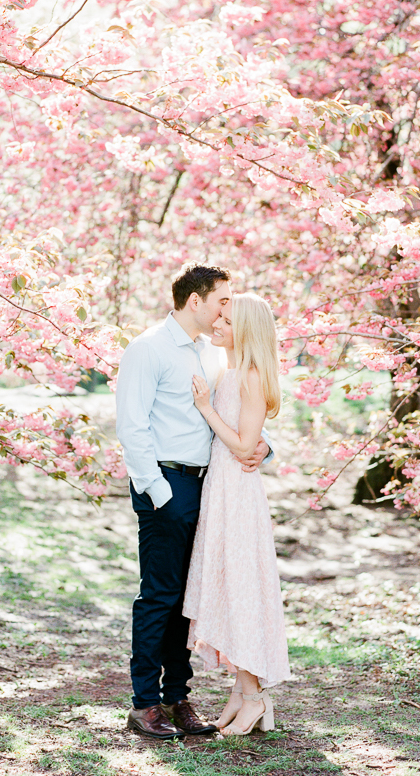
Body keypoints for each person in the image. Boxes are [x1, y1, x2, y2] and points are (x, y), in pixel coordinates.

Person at [116, 263, 271, 740]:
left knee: (188, 597)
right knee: (159, 595)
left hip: (210, 484)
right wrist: (159, 493)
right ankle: (145, 704)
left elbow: (241, 412)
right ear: (195, 300)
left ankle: (177, 697)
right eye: (222, 300)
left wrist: (266, 447)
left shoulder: (212, 352)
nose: (227, 310)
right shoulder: (148, 349)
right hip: (166, 484)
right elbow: (131, 426)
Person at [184, 293, 291, 735]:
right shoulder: (230, 372)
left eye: (227, 320)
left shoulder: (249, 375)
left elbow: (246, 446)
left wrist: (206, 408)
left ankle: (254, 697)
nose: (217, 323)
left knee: (241, 587)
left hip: (238, 494)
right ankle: (242, 691)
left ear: (246, 330)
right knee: (229, 585)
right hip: (221, 489)